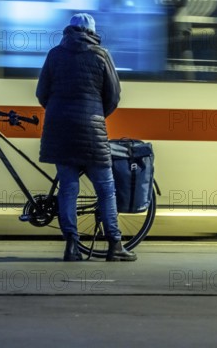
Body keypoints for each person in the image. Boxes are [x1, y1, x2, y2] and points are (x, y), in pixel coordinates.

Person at [36, 13, 137, 262]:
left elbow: (41, 93)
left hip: (59, 129)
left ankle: (72, 246)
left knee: (68, 188)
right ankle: (114, 245)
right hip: (90, 129)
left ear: (69, 30)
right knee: (105, 188)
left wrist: (60, 111)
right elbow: (113, 96)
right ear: (92, 31)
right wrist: (95, 113)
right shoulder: (101, 55)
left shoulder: (54, 54)